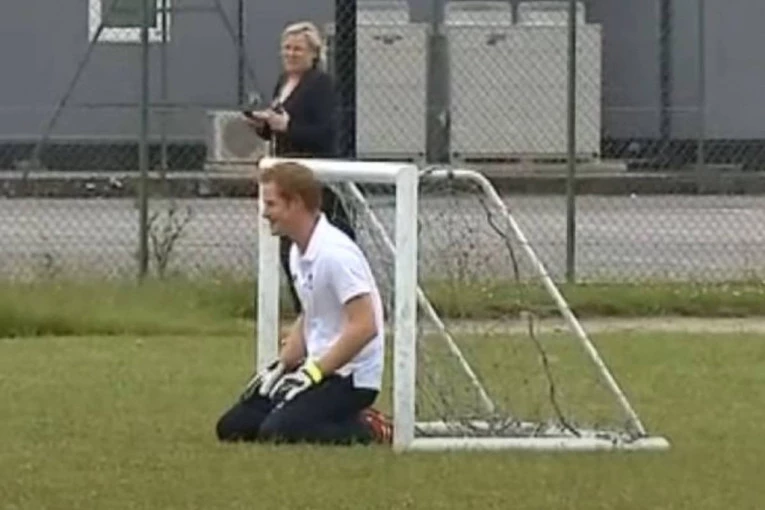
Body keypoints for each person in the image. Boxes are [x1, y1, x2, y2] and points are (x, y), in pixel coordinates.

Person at [215, 162, 392, 445]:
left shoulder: (335, 254)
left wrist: (315, 371)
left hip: (350, 377)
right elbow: (312, 314)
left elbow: (366, 325)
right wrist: (281, 366)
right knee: (233, 427)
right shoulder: (298, 251)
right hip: (316, 371)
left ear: (295, 203)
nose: (264, 213)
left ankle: (370, 427)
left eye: (271, 204)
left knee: (278, 432)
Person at [245, 21, 356, 315]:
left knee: (324, 243)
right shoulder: (283, 82)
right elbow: (280, 130)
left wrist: (288, 125)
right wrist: (264, 126)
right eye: (287, 48)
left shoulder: (321, 85)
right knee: (288, 247)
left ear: (313, 54)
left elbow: (325, 133)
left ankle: (339, 306)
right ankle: (305, 312)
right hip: (286, 173)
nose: (291, 54)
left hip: (313, 177)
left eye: (298, 49)